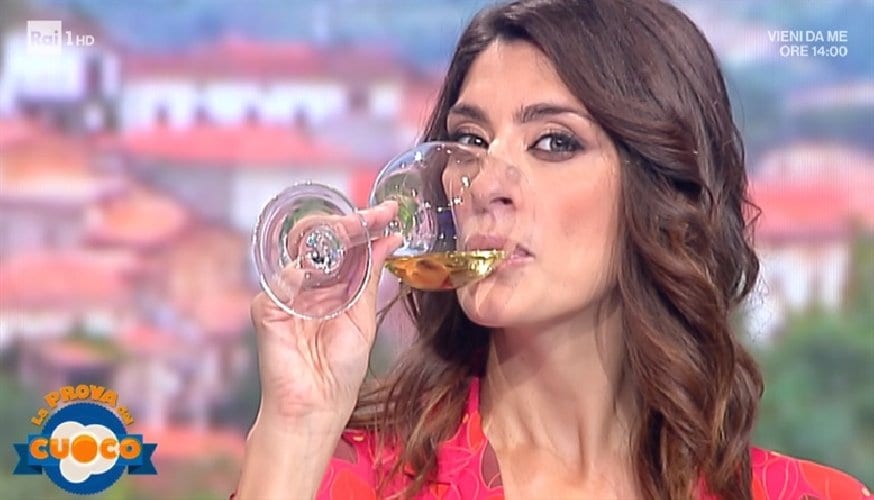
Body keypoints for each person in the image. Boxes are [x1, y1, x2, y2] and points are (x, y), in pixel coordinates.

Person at [234, 0, 872, 498]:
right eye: (471, 141)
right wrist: (295, 426)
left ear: (662, 188)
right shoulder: (350, 477)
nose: (487, 182)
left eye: (554, 143)